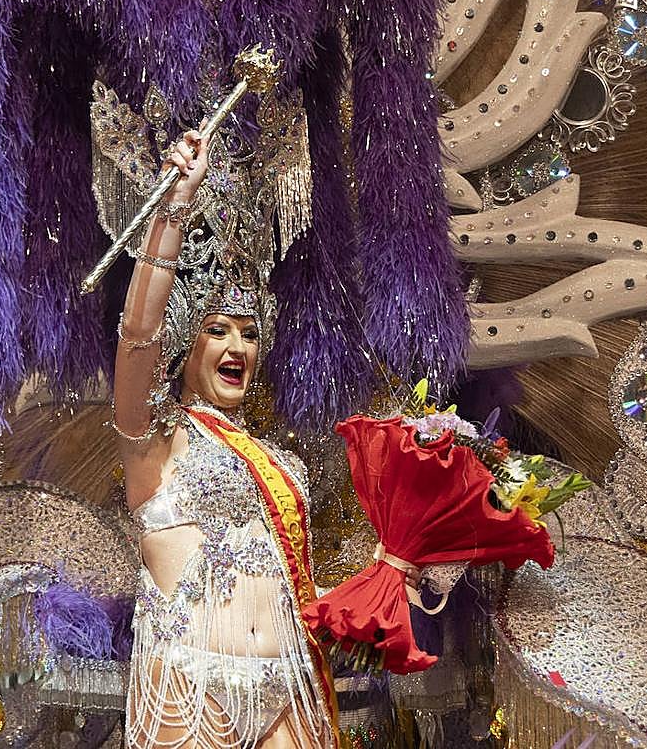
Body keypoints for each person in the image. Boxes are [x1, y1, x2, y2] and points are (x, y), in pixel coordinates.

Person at [113, 130, 421, 748]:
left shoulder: (282, 463)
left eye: (249, 334)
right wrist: (174, 212)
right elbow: (137, 335)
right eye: (218, 331)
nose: (237, 348)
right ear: (188, 343)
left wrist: (402, 567)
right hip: (191, 685)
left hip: (289, 686)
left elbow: (302, 595)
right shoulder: (155, 439)